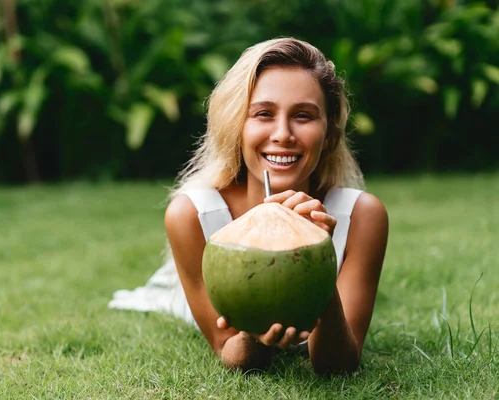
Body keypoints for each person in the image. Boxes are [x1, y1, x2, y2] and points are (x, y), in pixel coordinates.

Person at [109, 37, 389, 374]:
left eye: (303, 115)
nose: (283, 133)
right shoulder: (194, 216)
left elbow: (338, 366)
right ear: (236, 128)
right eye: (263, 114)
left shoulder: (361, 216)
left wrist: (319, 261)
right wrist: (254, 337)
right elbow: (229, 351)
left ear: (328, 133)